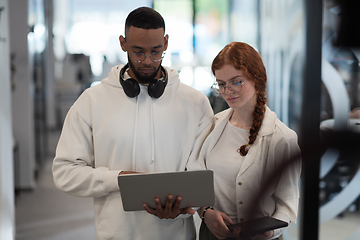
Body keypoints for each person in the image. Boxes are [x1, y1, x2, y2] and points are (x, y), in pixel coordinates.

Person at [52, 7, 213, 240]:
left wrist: (180, 209)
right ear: (123, 43)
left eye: (156, 52)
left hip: (176, 234)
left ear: (166, 43)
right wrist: (117, 179)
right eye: (138, 52)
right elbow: (64, 172)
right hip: (116, 234)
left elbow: (202, 174)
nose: (147, 61)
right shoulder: (92, 101)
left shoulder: (195, 103)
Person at [190, 42, 302, 240]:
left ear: (257, 79)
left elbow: (288, 204)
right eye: (221, 84)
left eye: (236, 81)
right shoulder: (213, 125)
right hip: (212, 235)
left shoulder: (282, 138)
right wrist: (205, 213)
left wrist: (269, 231)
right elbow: (196, 180)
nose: (227, 91)